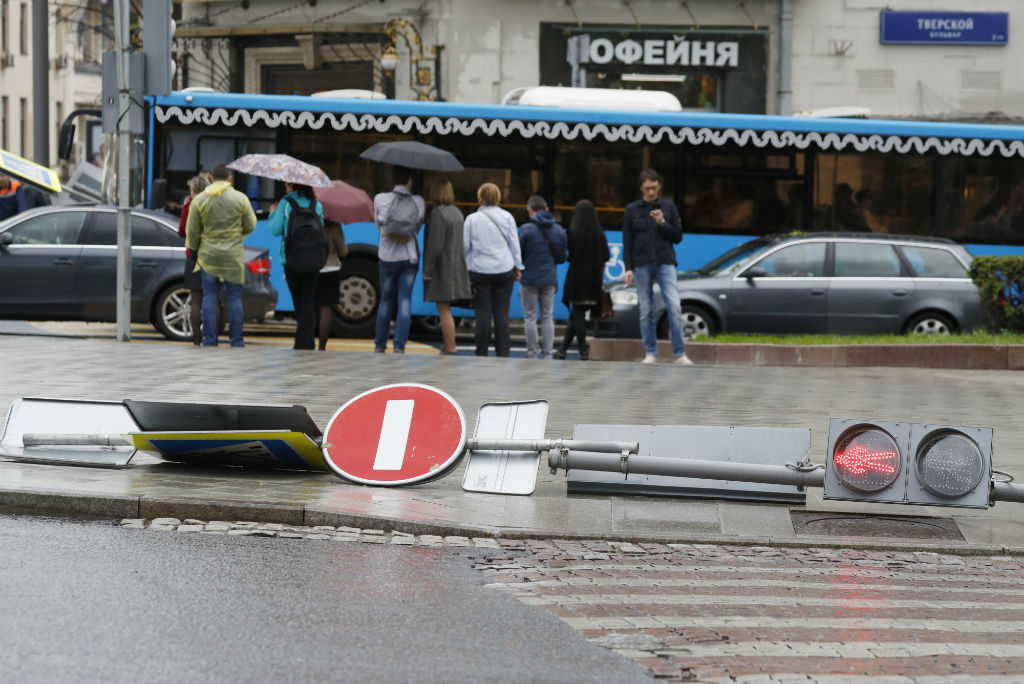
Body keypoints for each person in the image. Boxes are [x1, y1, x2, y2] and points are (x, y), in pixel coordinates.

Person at [622, 168, 691, 366]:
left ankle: (679, 354)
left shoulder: (668, 208)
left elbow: (677, 237)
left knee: (675, 307)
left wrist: (662, 222)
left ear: (659, 185)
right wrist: (628, 267)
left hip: (665, 262)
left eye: (653, 188)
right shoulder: (632, 210)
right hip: (642, 263)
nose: (651, 192)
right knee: (646, 310)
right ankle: (650, 352)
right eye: (647, 189)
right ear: (641, 188)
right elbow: (627, 241)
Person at [184, 163, 257, 348]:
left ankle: (209, 340)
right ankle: (236, 341)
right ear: (229, 178)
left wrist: (194, 248)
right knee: (234, 298)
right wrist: (236, 235)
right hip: (232, 256)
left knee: (209, 297)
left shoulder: (200, 200)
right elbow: (250, 224)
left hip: (208, 256)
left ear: (210, 177)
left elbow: (191, 230)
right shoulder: (240, 199)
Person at [463, 182, 524, 357]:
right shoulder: (507, 217)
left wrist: (467, 268)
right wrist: (518, 267)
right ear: (498, 197)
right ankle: (503, 352)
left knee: (482, 313)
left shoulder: (472, 219)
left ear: (480, 197)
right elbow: (514, 245)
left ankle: (481, 351)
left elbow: (465, 247)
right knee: (501, 314)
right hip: (504, 269)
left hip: (479, 270)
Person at [373, 165, 425, 354]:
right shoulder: (418, 201)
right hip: (409, 257)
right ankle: (399, 346)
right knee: (405, 300)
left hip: (386, 256)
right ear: (409, 179)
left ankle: (380, 345)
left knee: (386, 300)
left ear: (392, 178)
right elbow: (416, 228)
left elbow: (378, 226)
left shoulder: (380, 198)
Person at [269, 182, 325, 350]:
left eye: (287, 183)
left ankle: (302, 343)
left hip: (291, 259)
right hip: (314, 259)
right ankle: (307, 342)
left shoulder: (286, 204)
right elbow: (321, 229)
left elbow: (275, 230)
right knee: (308, 300)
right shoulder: (317, 205)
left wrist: (273, 213)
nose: (285, 185)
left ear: (292, 185)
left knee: (299, 302)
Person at [555, 200, 609, 361]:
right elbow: (606, 256)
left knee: (577, 315)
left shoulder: (572, 231)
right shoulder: (600, 233)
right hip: (594, 280)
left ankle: (582, 351)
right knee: (575, 316)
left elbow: (567, 255)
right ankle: (562, 350)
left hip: (576, 279)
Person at [422, 179, 471, 355]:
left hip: (442, 267)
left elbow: (435, 244)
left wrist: (427, 270)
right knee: (446, 308)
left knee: (443, 309)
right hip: (455, 265)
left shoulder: (438, 213)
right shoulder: (456, 212)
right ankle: (448, 346)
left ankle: (450, 347)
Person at [517, 195, 567, 359]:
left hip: (529, 280)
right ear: (546, 209)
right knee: (547, 316)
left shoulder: (525, 230)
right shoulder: (558, 230)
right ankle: (547, 353)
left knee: (530, 316)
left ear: (530, 211)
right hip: (549, 280)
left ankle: (532, 352)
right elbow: (561, 258)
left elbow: (519, 256)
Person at [178, 174, 210, 345]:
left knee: (196, 299)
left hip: (193, 256)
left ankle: (197, 339)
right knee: (212, 297)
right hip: (212, 255)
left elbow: (182, 232)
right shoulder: (212, 203)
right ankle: (211, 338)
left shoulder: (190, 205)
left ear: (193, 190)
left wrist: (185, 206)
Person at [315, 220, 348, 350]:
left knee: (310, 307)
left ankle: (306, 341)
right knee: (326, 307)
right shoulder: (333, 226)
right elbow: (343, 251)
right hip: (331, 268)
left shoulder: (310, 221)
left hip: (311, 268)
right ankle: (322, 346)